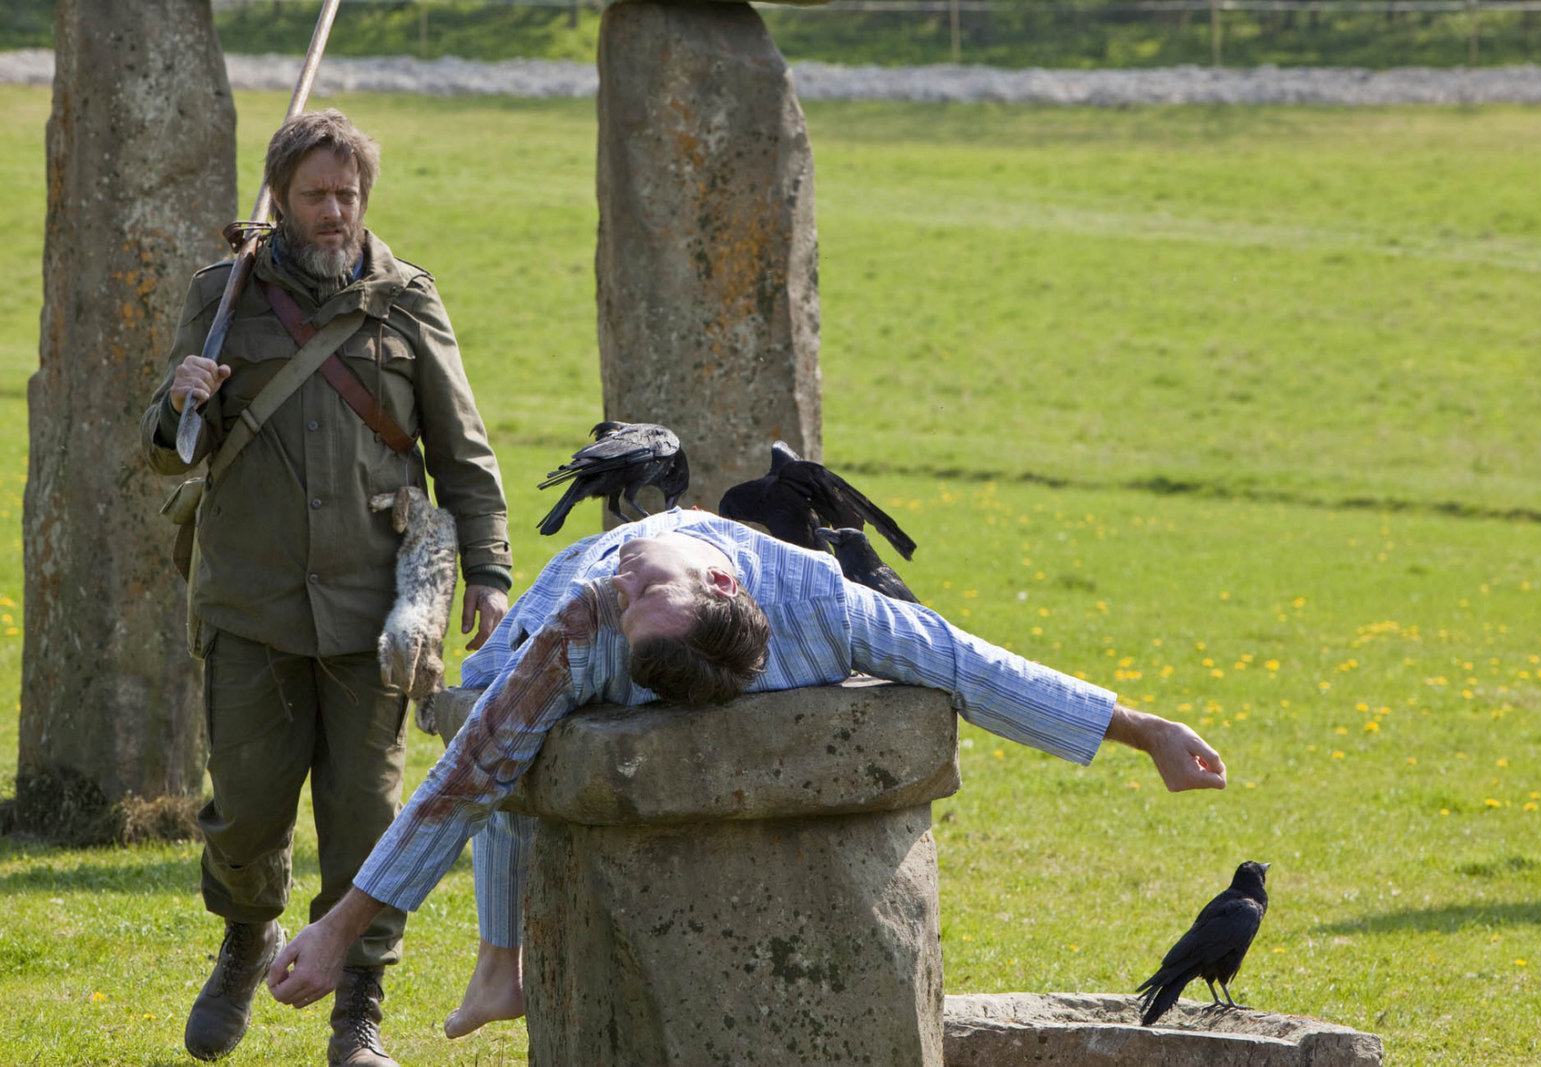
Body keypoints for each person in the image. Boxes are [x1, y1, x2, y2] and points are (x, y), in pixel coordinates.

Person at [263, 509, 1226, 1033]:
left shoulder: (821, 605)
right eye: (634, 587)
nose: (623, 575)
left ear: (725, 586)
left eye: (638, 587)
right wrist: (341, 925)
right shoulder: (591, 602)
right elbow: (466, 776)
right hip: (548, 636)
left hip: (603, 641)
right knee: (492, 722)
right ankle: (497, 964)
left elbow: (970, 667)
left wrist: (1142, 732)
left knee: (508, 737)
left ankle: (495, 970)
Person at [139, 109, 513, 1067]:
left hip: (371, 610)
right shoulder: (223, 294)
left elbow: (462, 450)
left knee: (365, 819)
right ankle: (244, 939)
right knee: (246, 810)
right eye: (316, 195)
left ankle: (359, 1007)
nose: (336, 211)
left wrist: (489, 572)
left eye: (348, 194)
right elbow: (170, 450)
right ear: (280, 198)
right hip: (249, 601)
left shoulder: (408, 302)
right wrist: (180, 399)